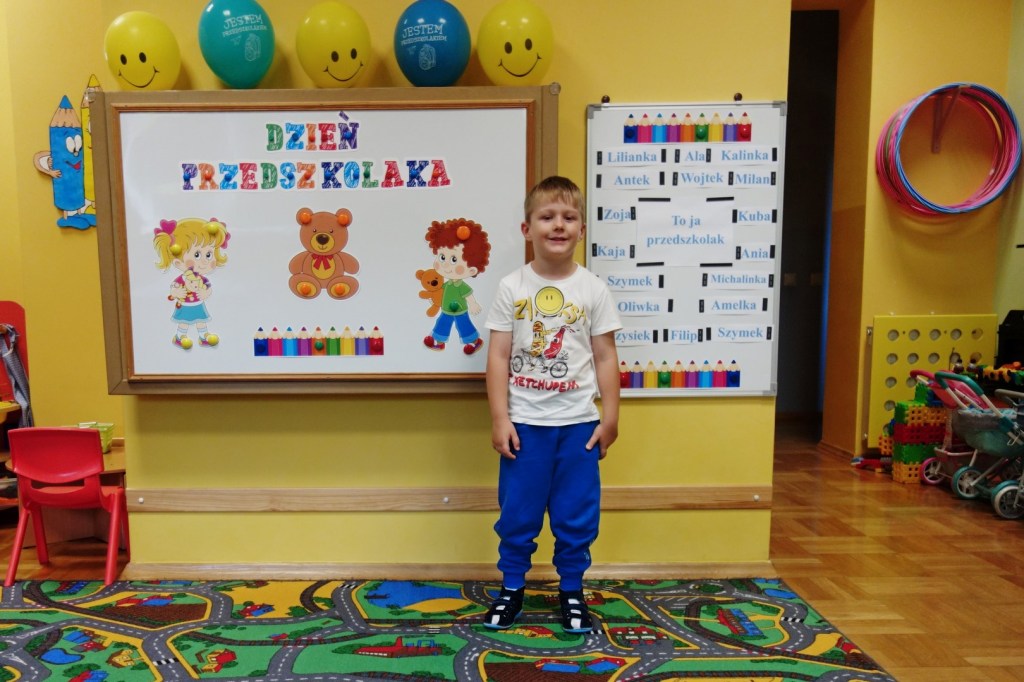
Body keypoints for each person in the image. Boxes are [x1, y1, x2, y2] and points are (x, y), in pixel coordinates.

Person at [483, 176, 621, 634]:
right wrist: (500, 418)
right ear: (527, 229)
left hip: (579, 427)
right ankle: (512, 588)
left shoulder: (593, 289)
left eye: (568, 217)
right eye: (547, 217)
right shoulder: (512, 287)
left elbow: (605, 356)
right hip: (525, 427)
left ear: (582, 229)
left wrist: (611, 417)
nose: (558, 225)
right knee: (517, 514)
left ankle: (572, 589)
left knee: (576, 515)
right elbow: (498, 356)